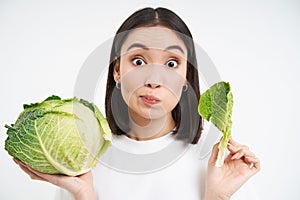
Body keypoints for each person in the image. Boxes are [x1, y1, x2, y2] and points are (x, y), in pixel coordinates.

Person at [14, 7, 260, 200]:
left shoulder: (219, 167)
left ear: (187, 77)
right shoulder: (84, 163)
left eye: (172, 63)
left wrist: (217, 197)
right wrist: (83, 196)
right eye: (139, 61)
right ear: (117, 71)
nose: (153, 80)